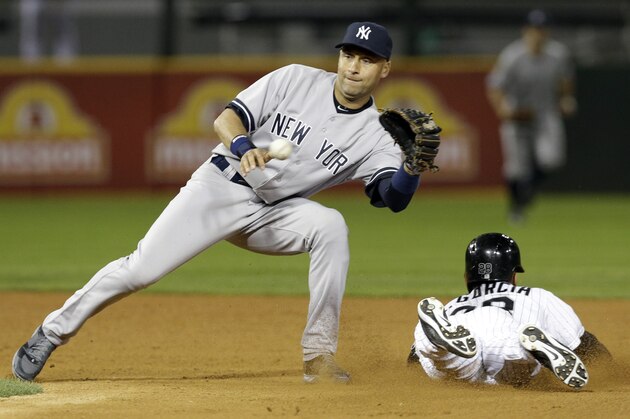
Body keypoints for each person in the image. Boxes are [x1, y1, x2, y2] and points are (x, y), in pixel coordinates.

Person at [13, 22, 437, 384]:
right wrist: (241, 143)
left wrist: (412, 168)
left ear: (385, 69)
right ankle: (51, 332)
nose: (353, 65)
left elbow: (392, 198)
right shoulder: (296, 78)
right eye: (349, 53)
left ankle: (318, 356)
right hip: (220, 187)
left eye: (366, 58)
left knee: (331, 227)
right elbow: (226, 117)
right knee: (140, 269)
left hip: (275, 212)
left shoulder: (378, 134)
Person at [407, 232, 611, 390]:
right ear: (514, 275)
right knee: (513, 363)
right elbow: (586, 346)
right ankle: (526, 351)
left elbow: (413, 363)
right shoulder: (536, 295)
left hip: (463, 326)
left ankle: (438, 345)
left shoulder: (452, 305)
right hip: (502, 324)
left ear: (467, 277)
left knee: (449, 365)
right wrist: (609, 367)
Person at [486, 9, 577, 223]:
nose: (539, 34)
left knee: (552, 159)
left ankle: (528, 190)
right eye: (535, 29)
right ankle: (516, 208)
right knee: (516, 168)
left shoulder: (558, 54)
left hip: (545, 114)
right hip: (518, 115)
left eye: (543, 29)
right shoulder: (513, 55)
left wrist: (566, 98)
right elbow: (495, 86)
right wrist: (502, 108)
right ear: (525, 31)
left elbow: (565, 81)